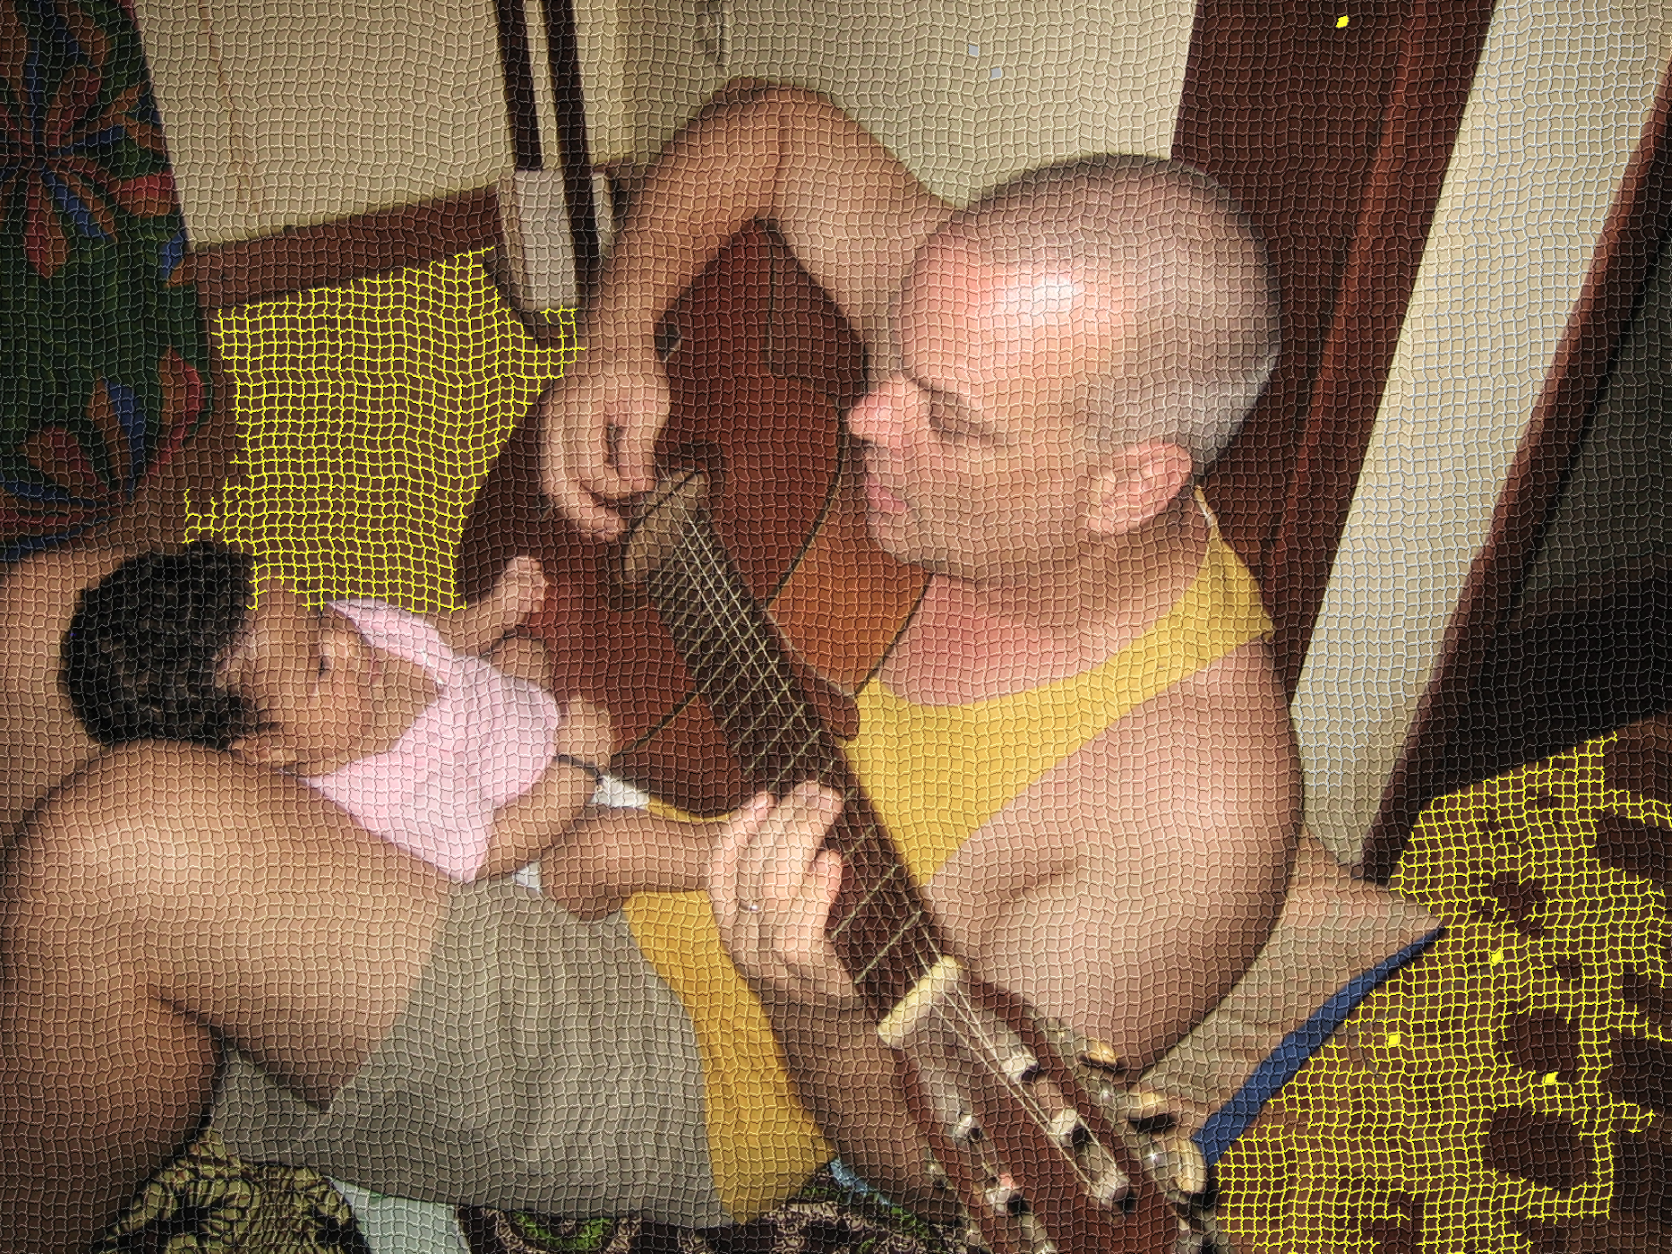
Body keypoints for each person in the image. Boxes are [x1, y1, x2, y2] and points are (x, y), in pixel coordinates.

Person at [541, 81, 1307, 1209]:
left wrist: (813, 1009)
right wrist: (616, 335)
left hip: (675, 1054)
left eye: (945, 419)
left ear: (1129, 484)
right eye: (891, 350)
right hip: (569, 703)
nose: (866, 415)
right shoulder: (978, 323)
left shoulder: (1198, 811)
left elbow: (944, 1164)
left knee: (234, 865)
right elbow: (774, 124)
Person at [0, 528, 843, 1253]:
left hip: (699, 1037)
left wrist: (526, 691)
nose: (348, 642)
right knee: (37, 616)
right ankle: (81, 988)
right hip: (509, 821)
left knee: (109, 845)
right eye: (320, 656)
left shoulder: (351, 665)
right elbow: (474, 776)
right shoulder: (369, 750)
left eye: (324, 626)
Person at [60, 541, 703, 909]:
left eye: (318, 614)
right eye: (318, 667)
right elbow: (494, 847)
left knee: (524, 652)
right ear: (265, 750)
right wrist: (575, 769)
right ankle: (724, 855)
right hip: (536, 843)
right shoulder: (380, 797)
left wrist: (496, 610)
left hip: (510, 729)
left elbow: (435, 639)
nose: (344, 641)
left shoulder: (346, 636)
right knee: (607, 850)